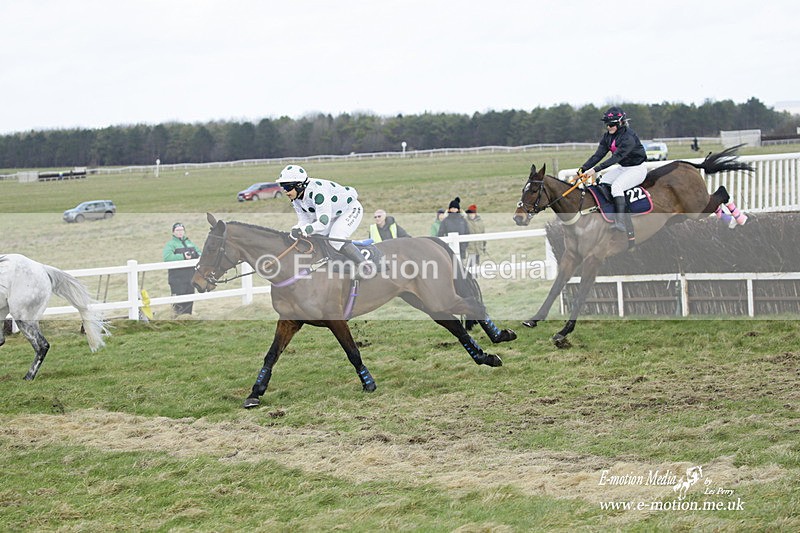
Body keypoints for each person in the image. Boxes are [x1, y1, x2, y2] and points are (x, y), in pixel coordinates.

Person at [276, 164, 374, 277]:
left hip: (350, 210)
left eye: (287, 187)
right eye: (282, 187)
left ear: (299, 185)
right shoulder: (296, 198)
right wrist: (296, 230)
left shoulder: (318, 193)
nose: (285, 191)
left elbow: (323, 223)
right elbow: (304, 221)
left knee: (336, 238)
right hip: (331, 214)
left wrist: (305, 230)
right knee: (316, 236)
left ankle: (366, 266)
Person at [578, 106, 647, 233]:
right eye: (607, 124)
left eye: (612, 124)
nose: (609, 127)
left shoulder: (628, 137)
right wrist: (583, 168)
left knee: (617, 187)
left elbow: (616, 157)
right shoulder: (607, 137)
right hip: (624, 168)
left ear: (621, 122)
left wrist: (595, 170)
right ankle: (608, 212)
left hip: (637, 169)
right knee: (603, 182)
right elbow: (598, 155)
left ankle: (621, 222)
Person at [162, 222, 201, 315]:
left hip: (191, 277)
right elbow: (167, 258)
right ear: (173, 232)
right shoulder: (170, 244)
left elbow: (200, 253)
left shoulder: (190, 243)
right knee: (178, 302)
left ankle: (188, 318)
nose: (180, 232)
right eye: (177, 230)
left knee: (189, 299)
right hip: (177, 278)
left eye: (181, 230)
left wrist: (195, 255)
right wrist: (183, 256)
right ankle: (177, 319)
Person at [464, 204, 487, 268]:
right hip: (470, 247)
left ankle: (475, 275)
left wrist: (484, 244)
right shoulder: (465, 221)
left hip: (478, 246)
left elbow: (483, 232)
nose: (471, 215)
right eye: (470, 213)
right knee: (470, 263)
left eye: (472, 213)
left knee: (477, 263)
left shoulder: (480, 221)